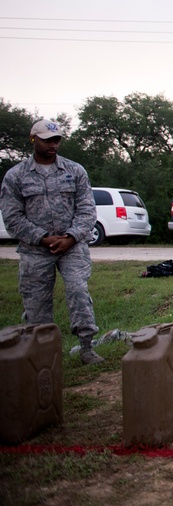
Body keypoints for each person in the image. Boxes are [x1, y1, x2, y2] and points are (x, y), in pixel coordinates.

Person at [0, 120, 104, 365]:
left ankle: (86, 347)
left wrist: (70, 237)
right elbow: (12, 218)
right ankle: (43, 354)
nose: (52, 145)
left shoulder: (74, 170)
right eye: (47, 139)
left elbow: (87, 211)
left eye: (56, 140)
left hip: (72, 246)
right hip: (35, 249)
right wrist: (42, 238)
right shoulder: (16, 176)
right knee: (36, 303)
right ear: (33, 139)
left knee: (78, 289)